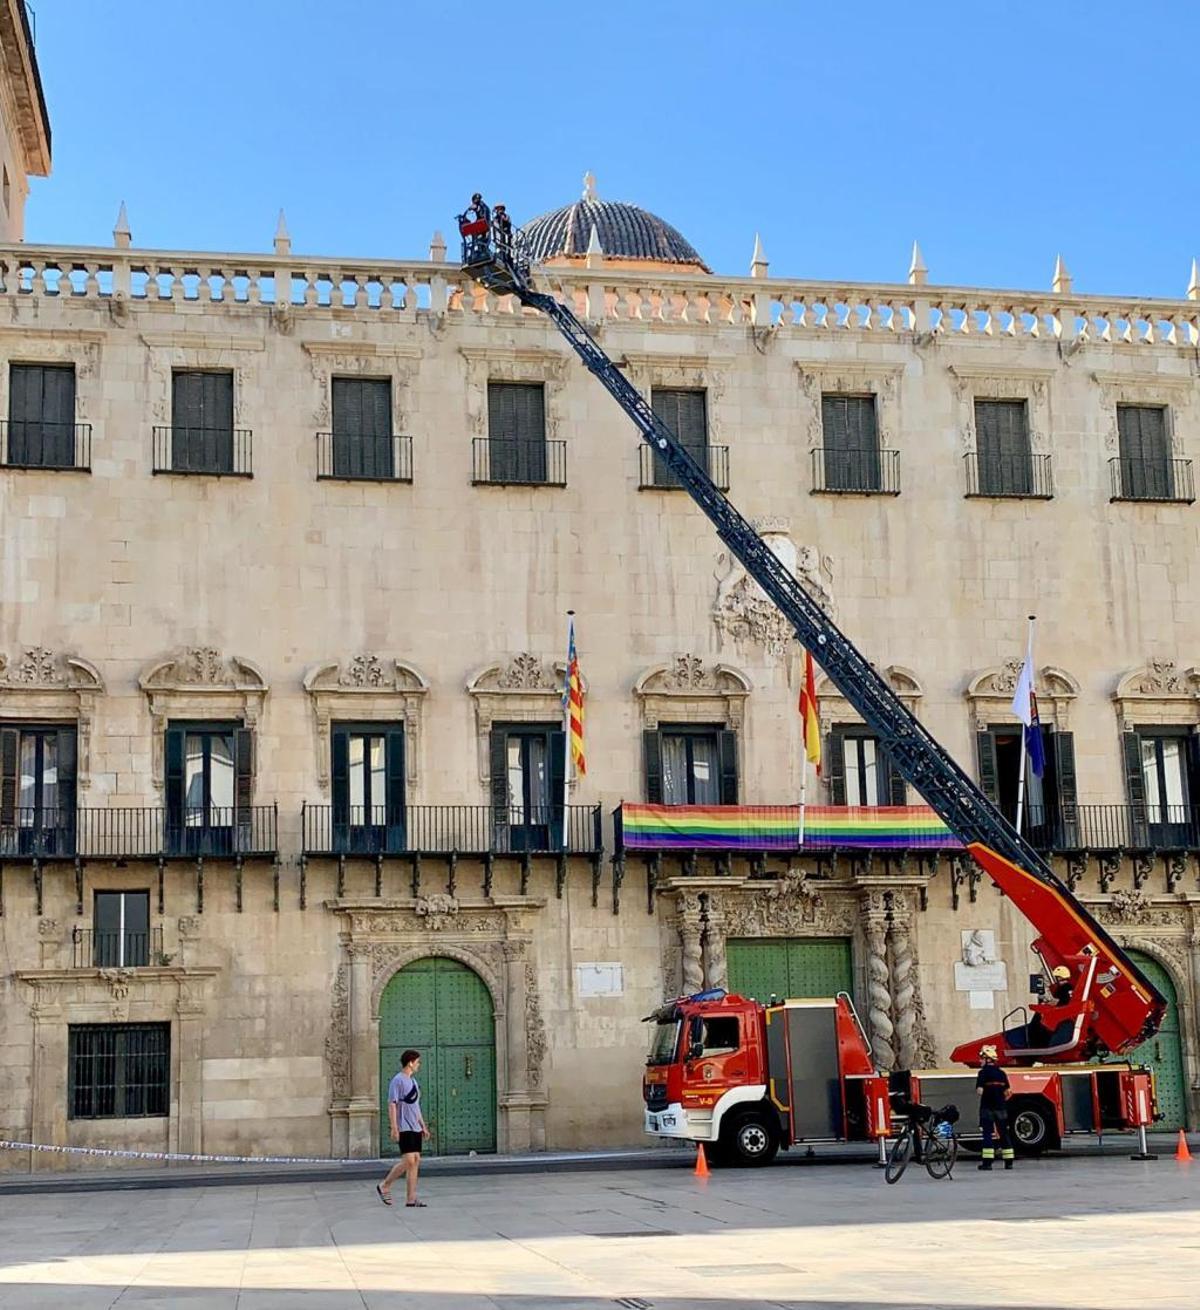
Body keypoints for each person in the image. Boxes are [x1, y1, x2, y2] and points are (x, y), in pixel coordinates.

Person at [376, 1049, 431, 1208]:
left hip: (415, 1126)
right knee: (408, 1159)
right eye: (418, 1062)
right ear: (410, 1062)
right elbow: (392, 1104)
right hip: (404, 1125)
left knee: (415, 1160)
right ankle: (385, 1185)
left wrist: (423, 1126)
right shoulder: (397, 1080)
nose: (419, 1065)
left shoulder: (413, 1081)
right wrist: (394, 1127)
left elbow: (415, 1106)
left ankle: (411, 1198)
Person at [975, 1043, 1014, 1171]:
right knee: (1004, 1134)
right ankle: (1008, 1162)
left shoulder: (982, 1073)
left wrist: (986, 1090)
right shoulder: (1002, 1073)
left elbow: (979, 1091)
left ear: (987, 1059)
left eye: (982, 1058)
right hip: (1001, 1108)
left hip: (987, 1108)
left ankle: (987, 1163)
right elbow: (1008, 1092)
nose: (980, 1061)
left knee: (987, 1135)